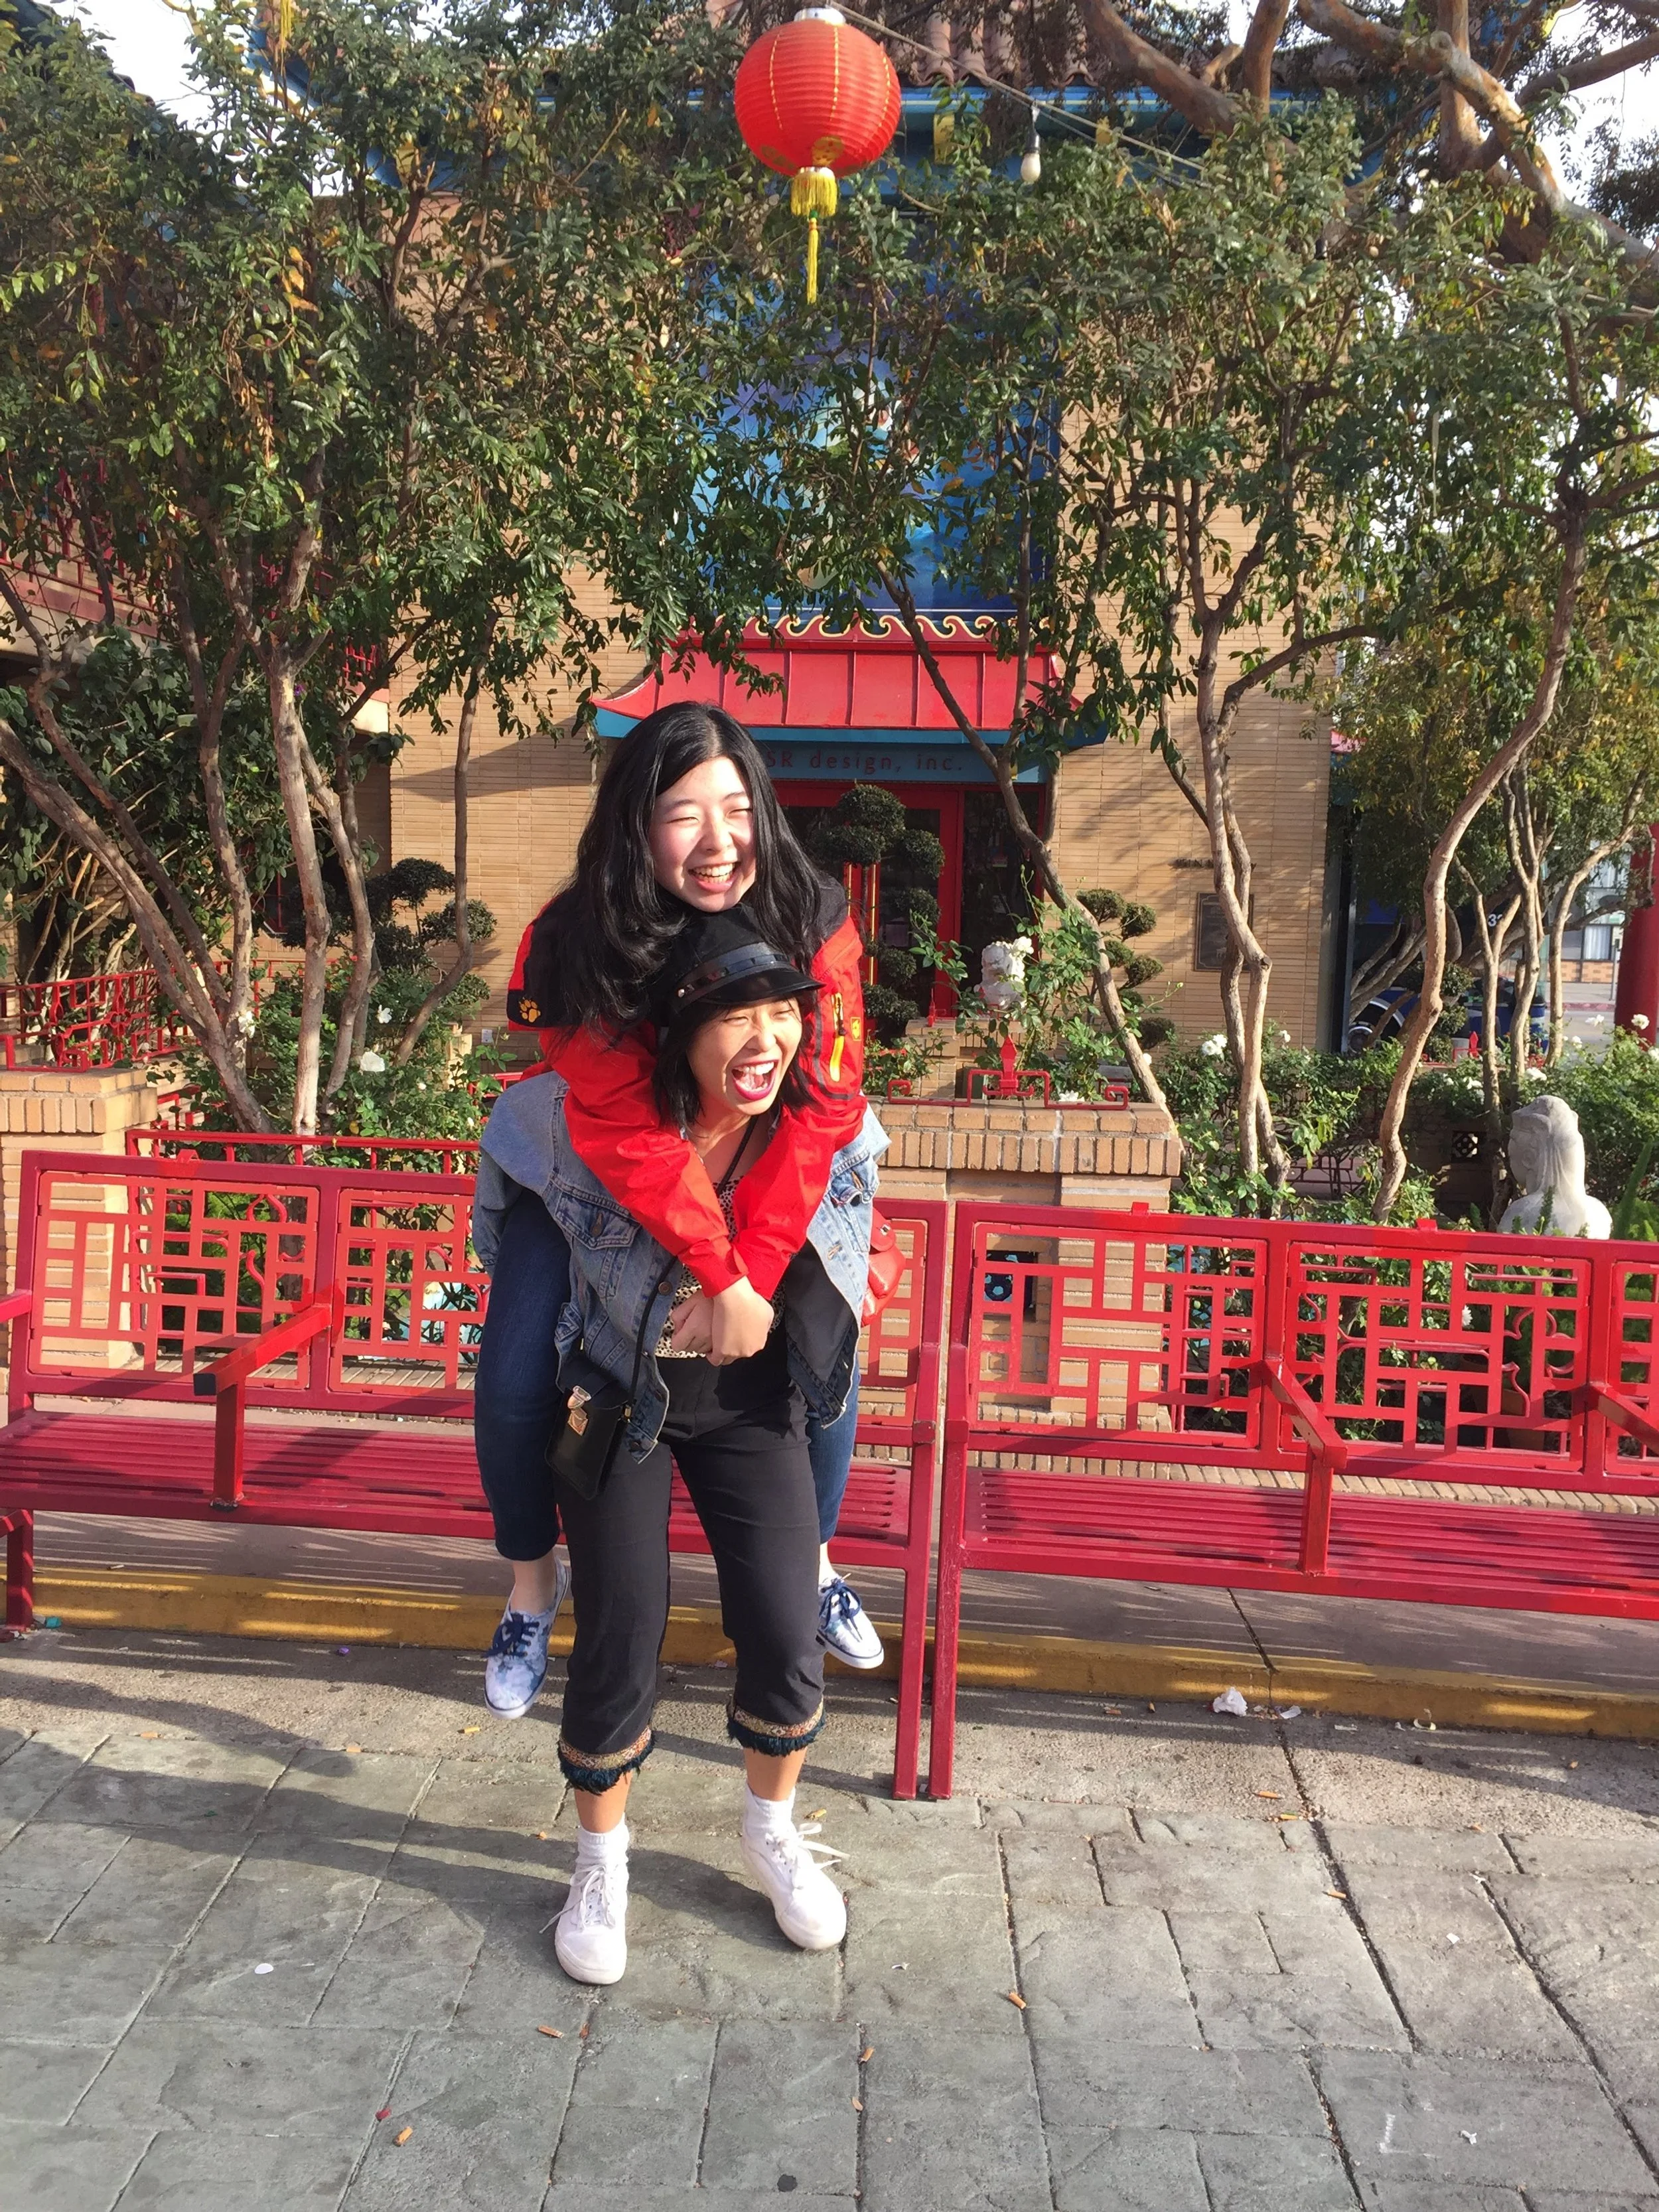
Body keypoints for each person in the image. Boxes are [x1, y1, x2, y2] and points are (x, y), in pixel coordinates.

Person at [472, 908, 885, 1982]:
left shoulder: (816, 1119)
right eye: (734, 1017)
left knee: (786, 1624)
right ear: (679, 1029)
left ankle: (772, 1830)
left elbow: (854, 1234)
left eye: (782, 1015)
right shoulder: (598, 1132)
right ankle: (601, 1858)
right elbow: (527, 1218)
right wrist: (697, 1288)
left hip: (753, 1404)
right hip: (621, 1391)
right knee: (622, 1626)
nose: (765, 1040)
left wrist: (792, 1287)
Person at [474, 703, 884, 1724]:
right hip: (604, 1172)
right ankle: (531, 1586)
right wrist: (722, 1273)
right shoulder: (577, 942)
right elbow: (626, 1136)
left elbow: (824, 1101)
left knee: (825, 1355)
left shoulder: (811, 912)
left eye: (737, 809)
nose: (719, 843)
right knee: (518, 1363)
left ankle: (812, 1562)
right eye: (683, 814)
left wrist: (754, 1271)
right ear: (633, 824)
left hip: (789, 1152)